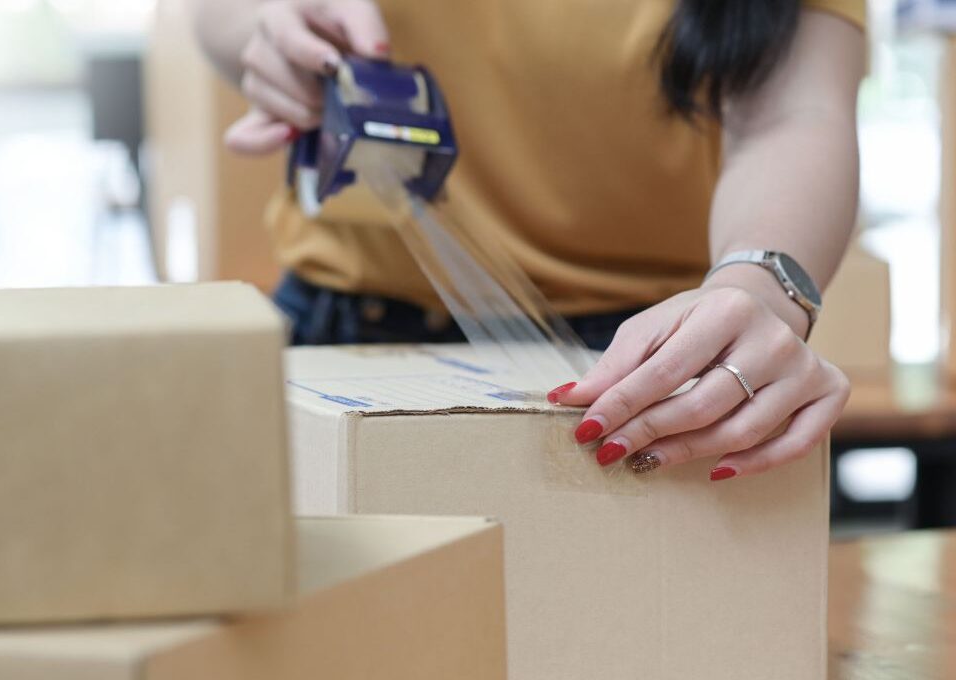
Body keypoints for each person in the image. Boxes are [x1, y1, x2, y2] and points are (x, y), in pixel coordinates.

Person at [192, 0, 865, 481]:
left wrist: (756, 286)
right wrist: (272, 27)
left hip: (646, 366)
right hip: (345, 332)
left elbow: (796, 112)